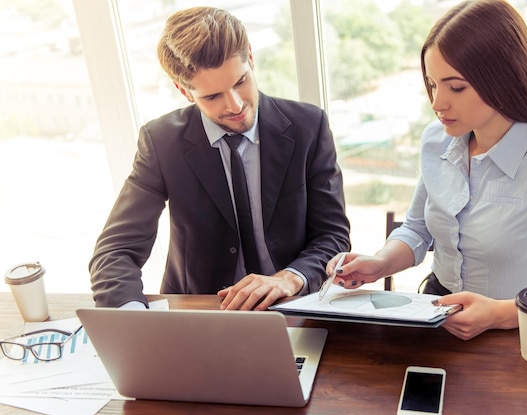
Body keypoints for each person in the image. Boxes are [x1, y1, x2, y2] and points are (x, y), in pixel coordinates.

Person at [326, 0, 527, 340]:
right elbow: (418, 228)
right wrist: (380, 263)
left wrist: (501, 313)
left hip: (517, 328)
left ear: (503, 78)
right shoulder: (437, 140)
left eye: (456, 87)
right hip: (434, 315)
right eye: (433, 85)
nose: (438, 103)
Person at [89, 7, 350, 311]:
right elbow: (115, 250)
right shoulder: (161, 142)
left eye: (241, 81)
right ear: (184, 92)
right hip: (200, 310)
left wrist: (289, 278)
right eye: (212, 97)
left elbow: (333, 235)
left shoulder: (309, 126)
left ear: (250, 57)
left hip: (295, 305)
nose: (235, 105)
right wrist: (133, 317)